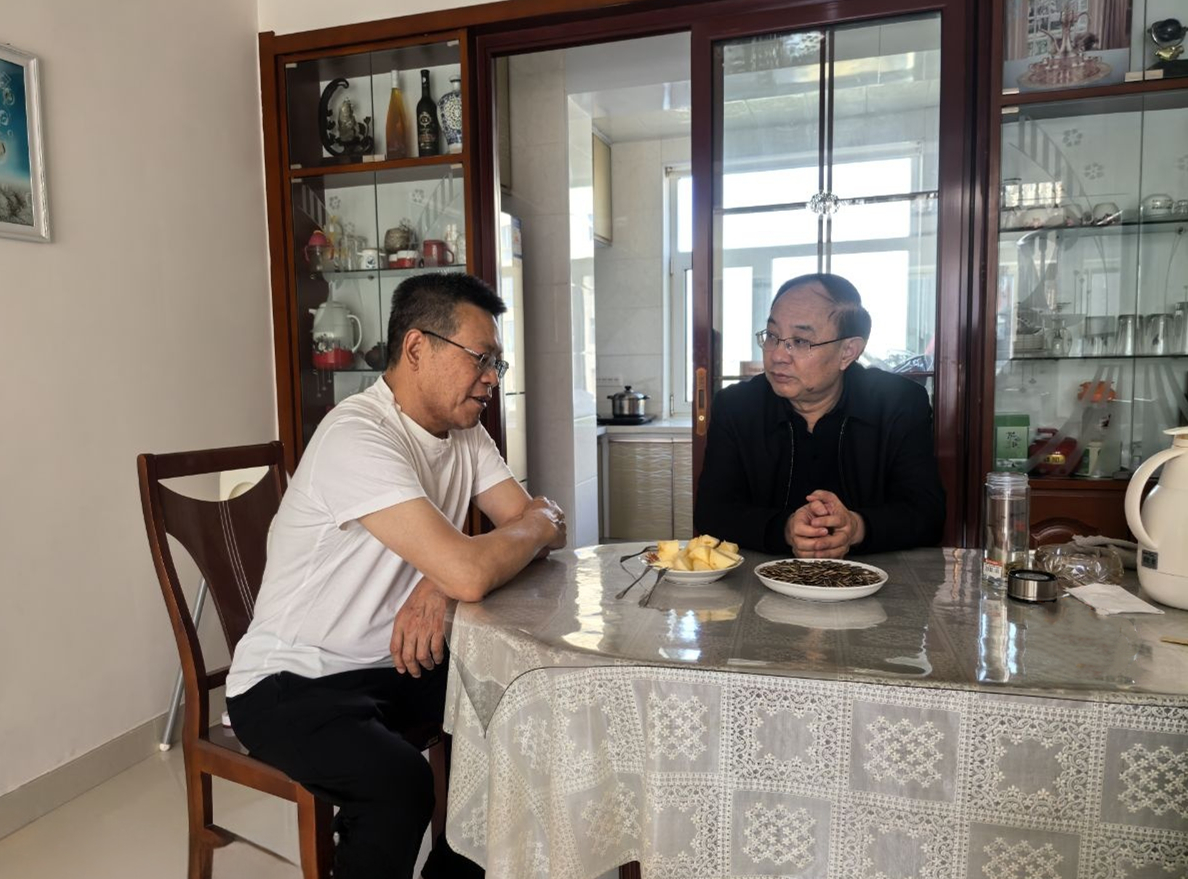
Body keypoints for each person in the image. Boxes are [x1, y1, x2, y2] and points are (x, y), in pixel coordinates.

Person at [225, 273, 566, 879]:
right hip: (293, 678)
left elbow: (537, 537)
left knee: (522, 720)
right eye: (481, 358)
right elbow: (492, 553)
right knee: (400, 785)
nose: (492, 377)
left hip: (393, 663)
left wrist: (444, 579)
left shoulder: (466, 434)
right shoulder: (357, 435)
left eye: (497, 363)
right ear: (416, 348)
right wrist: (477, 558)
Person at [694, 272, 944, 558]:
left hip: (873, 578)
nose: (777, 355)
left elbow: (927, 514)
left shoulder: (898, 404)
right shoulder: (737, 406)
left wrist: (857, 527)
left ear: (848, 352)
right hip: (760, 577)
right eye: (772, 336)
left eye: (800, 341)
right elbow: (711, 512)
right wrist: (784, 529)